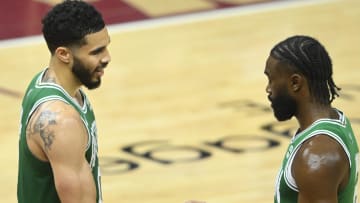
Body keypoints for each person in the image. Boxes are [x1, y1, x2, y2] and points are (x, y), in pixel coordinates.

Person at [17, 0, 111, 202]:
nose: (107, 58)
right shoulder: (62, 122)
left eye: (105, 48)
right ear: (64, 54)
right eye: (96, 52)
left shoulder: (44, 81)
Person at [264, 35, 359, 202]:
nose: (268, 89)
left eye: (271, 79)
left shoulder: (316, 157)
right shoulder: (335, 119)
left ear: (295, 83)